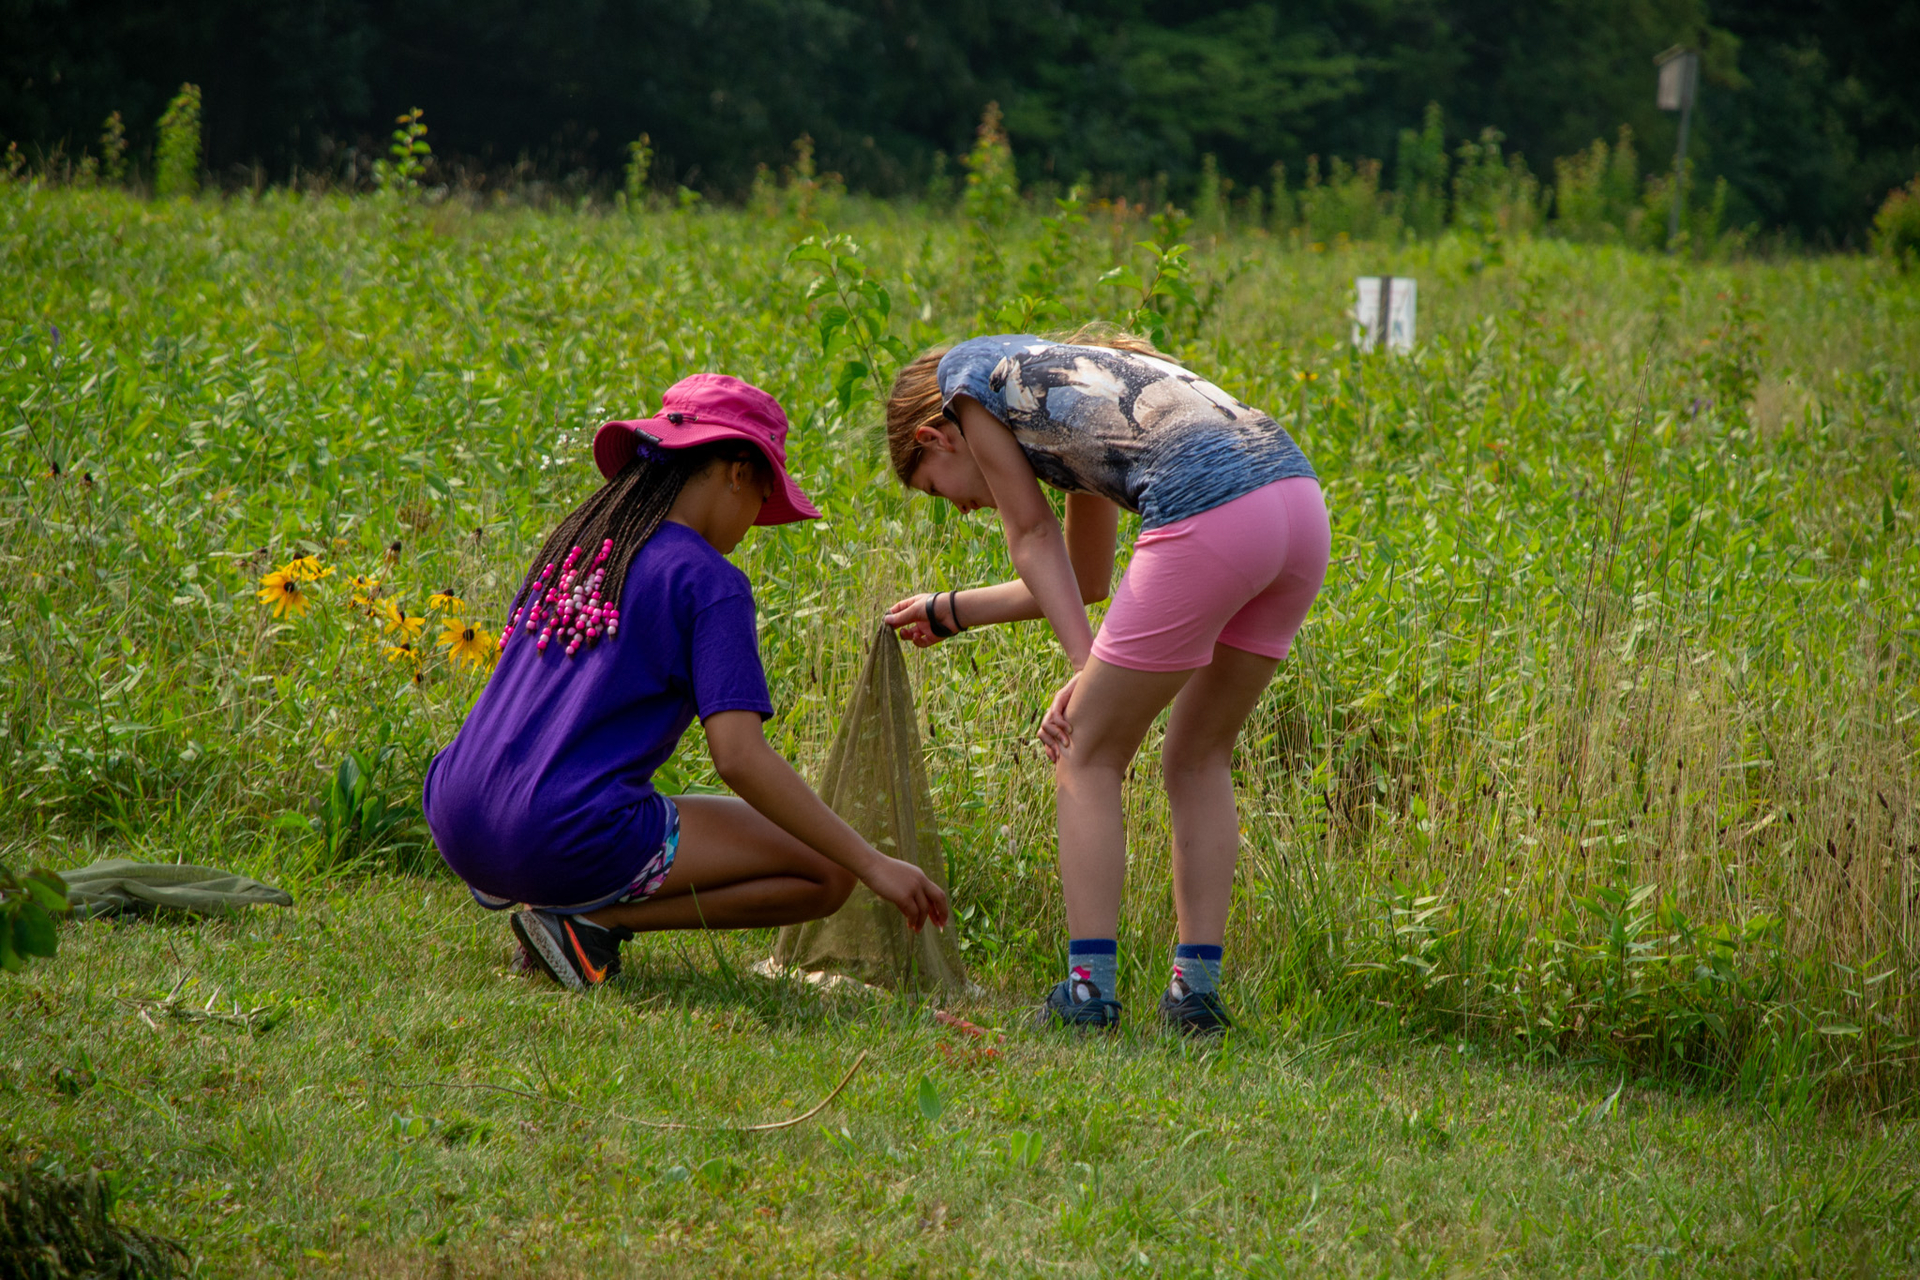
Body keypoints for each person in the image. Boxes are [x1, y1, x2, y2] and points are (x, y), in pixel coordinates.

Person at [426, 374, 949, 990]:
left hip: (457, 813)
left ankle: (565, 909)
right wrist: (872, 862)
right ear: (737, 472)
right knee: (828, 874)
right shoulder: (709, 581)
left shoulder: (581, 547)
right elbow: (739, 758)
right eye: (763, 495)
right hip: (554, 831)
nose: (755, 521)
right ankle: (592, 921)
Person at [883, 329, 1329, 1033]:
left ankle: (1088, 997)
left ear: (936, 437)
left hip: (1210, 509)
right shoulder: (1062, 395)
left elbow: (1031, 536)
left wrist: (1083, 671)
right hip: (1297, 505)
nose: (964, 508)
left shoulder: (967, 383)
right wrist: (951, 611)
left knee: (1084, 750)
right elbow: (1086, 579)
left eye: (942, 492)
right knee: (1198, 755)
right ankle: (1195, 999)